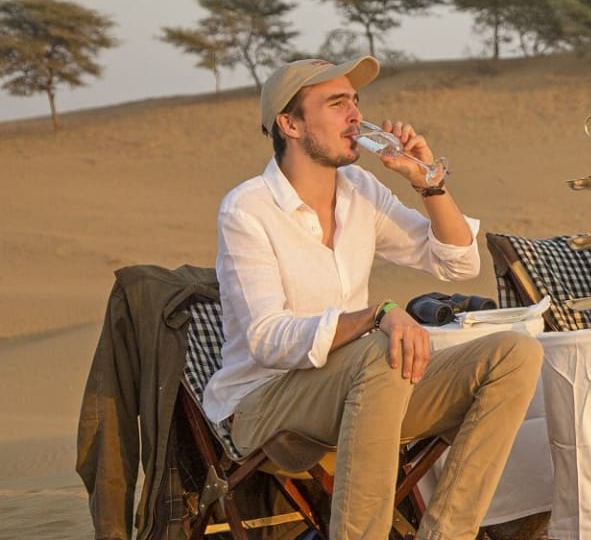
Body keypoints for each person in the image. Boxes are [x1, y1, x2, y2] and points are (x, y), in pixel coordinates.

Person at [201, 56, 541, 539]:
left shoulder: (360, 190)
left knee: (515, 354)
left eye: (356, 102)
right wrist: (377, 315)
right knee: (383, 349)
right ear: (289, 124)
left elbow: (458, 262)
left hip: (367, 389)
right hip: (266, 402)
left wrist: (428, 181)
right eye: (336, 104)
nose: (356, 116)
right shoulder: (248, 209)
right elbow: (266, 339)